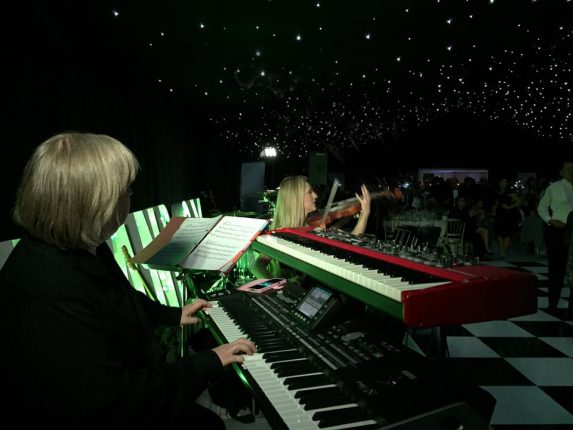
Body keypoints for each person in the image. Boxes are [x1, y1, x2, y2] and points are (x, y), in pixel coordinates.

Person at [0, 132, 256, 427]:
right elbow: (112, 403)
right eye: (126, 190)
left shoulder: (83, 246)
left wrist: (173, 314)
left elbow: (120, 298)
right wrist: (208, 361)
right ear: (96, 202)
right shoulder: (48, 289)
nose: (131, 198)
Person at [251, 175, 371, 280]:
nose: (316, 195)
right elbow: (257, 267)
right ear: (296, 199)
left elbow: (351, 243)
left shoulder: (313, 228)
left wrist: (365, 213)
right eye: (310, 192)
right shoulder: (280, 233)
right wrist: (277, 286)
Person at [537, 159, 573, 312]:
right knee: (556, 269)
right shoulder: (554, 187)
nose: (571, 171)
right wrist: (550, 221)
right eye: (568, 168)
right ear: (561, 172)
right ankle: (553, 304)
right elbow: (541, 208)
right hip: (558, 231)